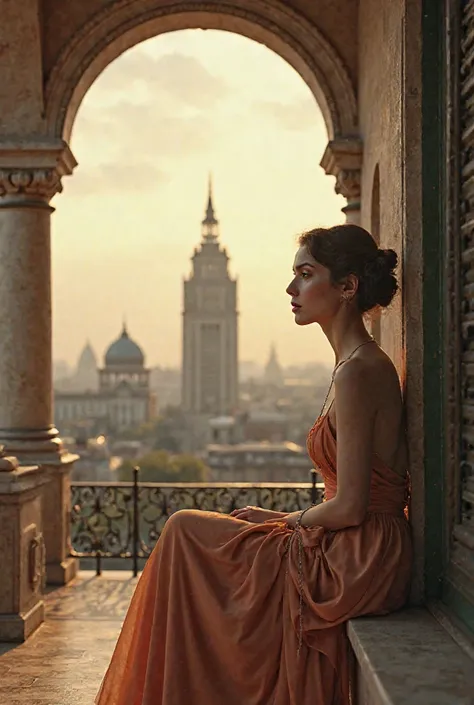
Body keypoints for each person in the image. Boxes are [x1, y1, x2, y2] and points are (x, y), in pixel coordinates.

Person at [96, 224, 412, 705]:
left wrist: (284, 520)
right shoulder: (353, 364)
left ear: (347, 287)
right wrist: (278, 522)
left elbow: (349, 507)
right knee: (199, 538)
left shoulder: (359, 371)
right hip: (354, 542)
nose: (291, 289)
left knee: (184, 532)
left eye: (306, 275)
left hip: (357, 554)